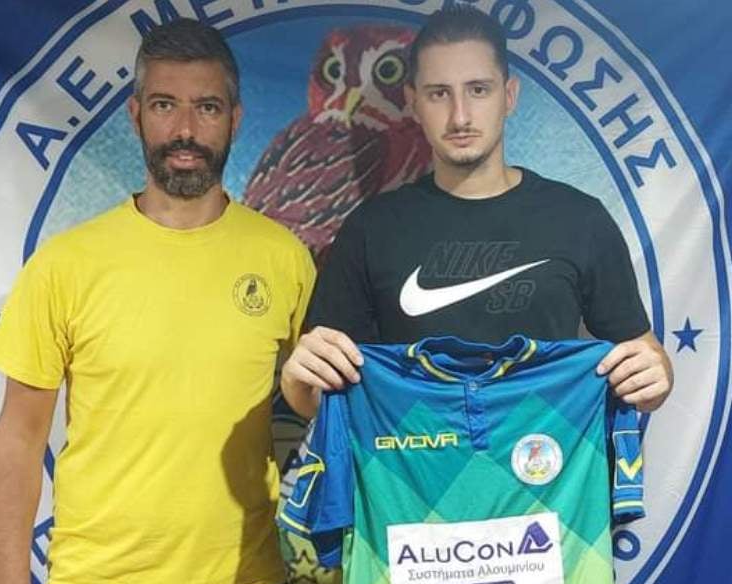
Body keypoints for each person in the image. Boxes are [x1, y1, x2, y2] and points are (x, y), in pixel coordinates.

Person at [0, 18, 314, 584]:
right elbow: (19, 437)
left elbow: (319, 404)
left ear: (235, 120)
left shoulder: (284, 257)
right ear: (135, 115)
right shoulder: (65, 264)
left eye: (207, 108)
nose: (185, 130)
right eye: (165, 105)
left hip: (248, 582)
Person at [279, 6, 672, 419]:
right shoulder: (370, 228)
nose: (460, 116)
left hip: (543, 457)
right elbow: (318, 399)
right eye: (439, 93)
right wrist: (296, 383)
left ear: (509, 96)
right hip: (412, 459)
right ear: (413, 102)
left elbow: (646, 368)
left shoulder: (580, 219)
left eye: (478, 90)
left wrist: (656, 374)